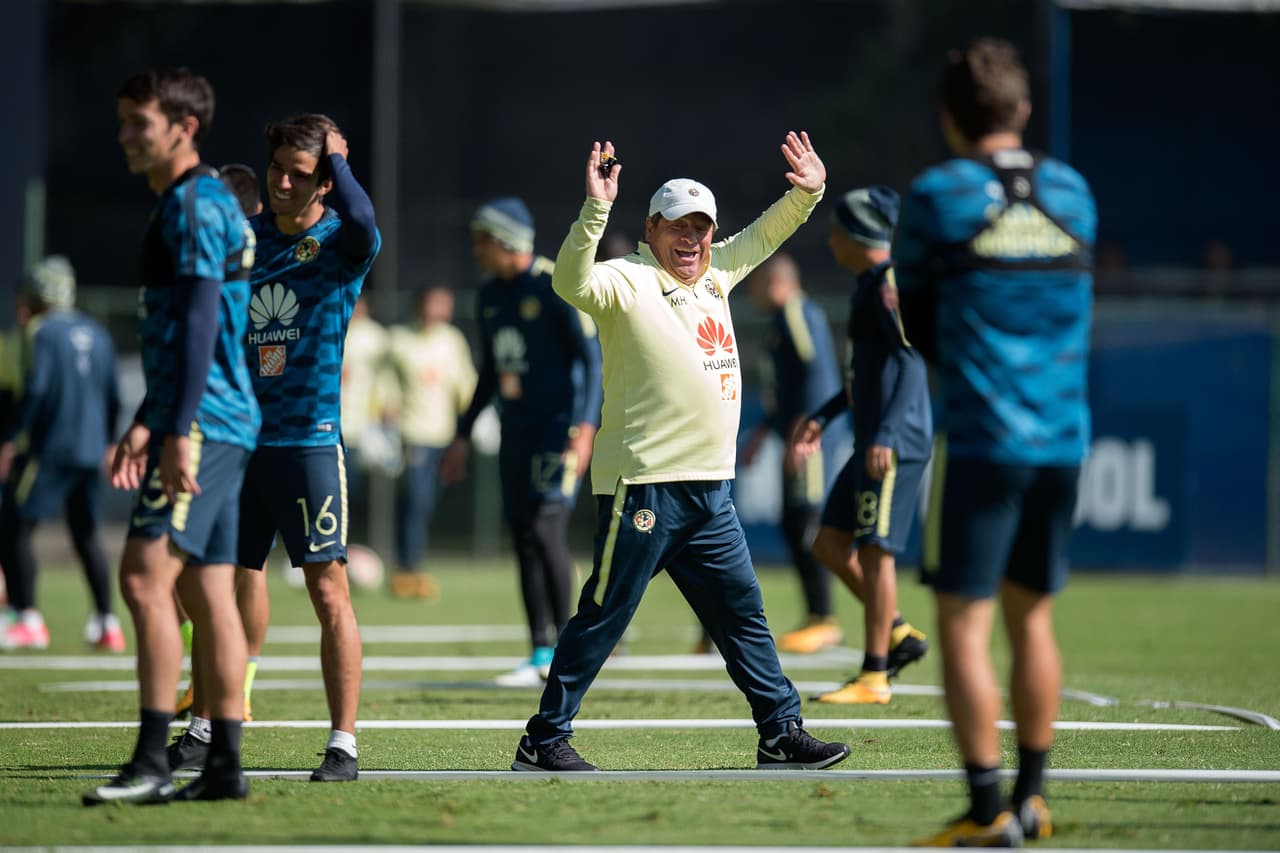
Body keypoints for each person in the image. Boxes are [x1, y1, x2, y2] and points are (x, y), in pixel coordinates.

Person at [510, 133, 851, 772]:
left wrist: (808, 193)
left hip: (709, 491)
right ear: (652, 229)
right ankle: (543, 738)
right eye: (677, 227)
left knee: (744, 615)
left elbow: (764, 235)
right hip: (644, 486)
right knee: (604, 616)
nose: (691, 239)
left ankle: (780, 731)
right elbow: (568, 280)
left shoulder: (718, 272)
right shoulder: (626, 280)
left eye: (701, 227)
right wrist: (595, 208)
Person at [895, 38, 1096, 846]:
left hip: (983, 438)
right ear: (1022, 110)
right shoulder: (1075, 191)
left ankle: (986, 812)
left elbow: (910, 315)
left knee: (964, 623)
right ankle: (1033, 798)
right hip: (1063, 439)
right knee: (1034, 618)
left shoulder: (938, 192)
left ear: (949, 117)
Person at [168, 114, 378, 784]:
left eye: (300, 172)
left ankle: (342, 743)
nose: (282, 182)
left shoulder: (342, 242)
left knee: (327, 588)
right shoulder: (247, 237)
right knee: (217, 588)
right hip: (238, 445)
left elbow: (367, 220)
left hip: (308, 447)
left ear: (324, 179)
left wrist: (340, 163)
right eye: (277, 169)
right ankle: (204, 727)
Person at [84, 67, 260, 806]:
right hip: (216, 416)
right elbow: (193, 332)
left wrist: (173, 426)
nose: (127, 135)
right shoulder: (203, 200)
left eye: (140, 122)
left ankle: (154, 760)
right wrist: (144, 419)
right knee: (207, 588)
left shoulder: (192, 204)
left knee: (141, 576)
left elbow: (196, 326)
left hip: (208, 421)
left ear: (183, 127)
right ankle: (222, 766)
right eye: (123, 121)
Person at [441, 197, 603, 686]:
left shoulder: (556, 284)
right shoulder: (490, 296)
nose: (475, 249)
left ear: (503, 240)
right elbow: (491, 372)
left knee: (547, 527)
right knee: (523, 536)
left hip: (559, 432)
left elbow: (591, 360)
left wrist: (585, 428)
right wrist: (462, 436)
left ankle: (568, 652)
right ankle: (539, 651)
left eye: (481, 239)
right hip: (516, 433)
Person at [791, 186, 932, 705]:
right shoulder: (867, 286)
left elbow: (910, 362)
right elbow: (867, 374)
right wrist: (825, 416)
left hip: (892, 441)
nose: (829, 240)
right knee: (828, 543)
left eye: (836, 230)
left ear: (857, 233)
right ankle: (895, 631)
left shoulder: (889, 284)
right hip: (871, 436)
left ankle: (875, 674)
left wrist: (889, 435)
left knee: (875, 550)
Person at [174, 163, 267, 722]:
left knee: (198, 566)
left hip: (231, 427)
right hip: (235, 425)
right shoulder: (246, 253)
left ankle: (225, 692)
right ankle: (220, 690)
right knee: (221, 567)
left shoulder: (246, 254)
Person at [0, 255, 124, 652]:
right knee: (86, 534)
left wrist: (12, 438)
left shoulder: (41, 331)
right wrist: (107, 442)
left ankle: (27, 616)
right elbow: (113, 398)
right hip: (90, 450)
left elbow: (36, 389)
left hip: (50, 448)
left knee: (15, 527)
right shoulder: (98, 333)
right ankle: (107, 622)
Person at [740, 252, 848, 654]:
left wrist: (802, 436)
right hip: (795, 433)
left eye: (755, 284)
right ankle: (815, 616)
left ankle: (825, 618)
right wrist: (762, 435)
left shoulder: (798, 313)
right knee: (792, 521)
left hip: (811, 441)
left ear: (775, 282)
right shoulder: (780, 322)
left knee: (807, 522)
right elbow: (784, 392)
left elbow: (815, 375)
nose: (751, 293)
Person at [384, 285, 475, 600]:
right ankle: (408, 569)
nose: (441, 312)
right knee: (417, 503)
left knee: (428, 503)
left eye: (445, 306)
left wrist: (475, 420)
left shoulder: (452, 341)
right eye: (436, 305)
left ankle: (409, 566)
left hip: (445, 436)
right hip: (414, 435)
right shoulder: (399, 341)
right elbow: (386, 387)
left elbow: (465, 383)